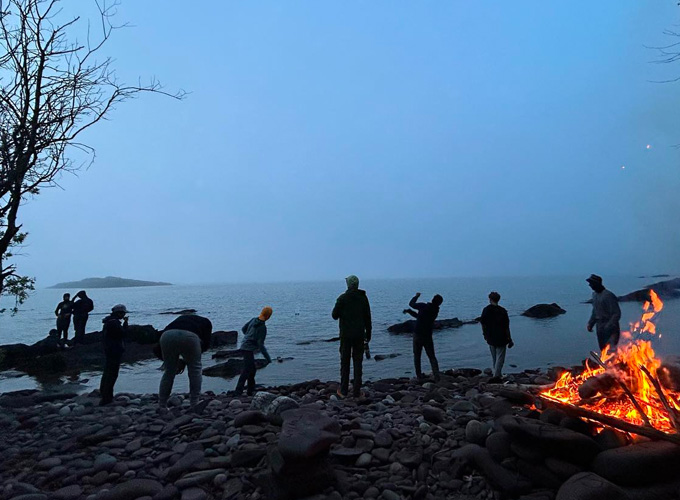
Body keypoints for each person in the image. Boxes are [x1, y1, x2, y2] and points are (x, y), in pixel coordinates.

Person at [157, 314, 213, 409]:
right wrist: (188, 360)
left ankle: (162, 404)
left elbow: (157, 348)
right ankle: (194, 403)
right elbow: (205, 345)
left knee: (169, 371)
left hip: (167, 335)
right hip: (190, 337)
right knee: (195, 369)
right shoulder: (206, 322)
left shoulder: (179, 320)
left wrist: (179, 361)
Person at [332, 275, 372, 398]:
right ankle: (356, 391)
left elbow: (334, 315)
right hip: (359, 335)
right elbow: (368, 318)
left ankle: (343, 391)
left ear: (348, 285)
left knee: (345, 362)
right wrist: (368, 334)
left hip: (345, 335)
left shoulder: (342, 298)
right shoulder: (363, 298)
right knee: (358, 362)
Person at [403, 292, 443, 382]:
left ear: (432, 299)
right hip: (427, 336)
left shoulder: (423, 306)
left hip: (418, 334)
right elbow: (419, 316)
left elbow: (411, 304)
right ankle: (437, 376)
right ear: (439, 303)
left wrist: (416, 296)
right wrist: (410, 312)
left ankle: (419, 376)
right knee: (432, 356)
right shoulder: (435, 311)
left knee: (417, 356)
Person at [234, 307, 273, 396]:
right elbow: (261, 344)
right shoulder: (262, 327)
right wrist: (268, 358)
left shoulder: (253, 319)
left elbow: (244, 329)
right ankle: (238, 392)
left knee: (252, 370)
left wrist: (248, 336)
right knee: (247, 370)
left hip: (244, 345)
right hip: (248, 348)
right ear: (268, 316)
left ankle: (250, 391)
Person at [480, 291, 514, 383]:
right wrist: (510, 339)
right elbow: (506, 327)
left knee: (494, 357)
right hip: (502, 337)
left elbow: (483, 323)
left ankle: (497, 373)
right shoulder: (502, 311)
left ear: (490, 299)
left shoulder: (486, 310)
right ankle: (496, 375)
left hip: (491, 336)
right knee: (500, 358)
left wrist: (485, 334)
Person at [99, 304, 128, 406]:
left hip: (109, 350)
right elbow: (122, 334)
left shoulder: (109, 322)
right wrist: (125, 324)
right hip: (114, 350)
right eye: (123, 313)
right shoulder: (114, 323)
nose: (123, 315)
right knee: (112, 374)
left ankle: (104, 394)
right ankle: (107, 397)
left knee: (107, 372)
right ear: (119, 313)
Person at [586, 274, 621, 351]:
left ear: (597, 283)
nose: (589, 285)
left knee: (611, 348)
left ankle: (614, 362)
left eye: (591, 283)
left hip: (611, 326)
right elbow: (595, 311)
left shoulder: (608, 295)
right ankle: (605, 362)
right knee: (603, 348)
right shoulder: (594, 295)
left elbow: (616, 313)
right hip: (600, 325)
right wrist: (591, 323)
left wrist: (609, 325)